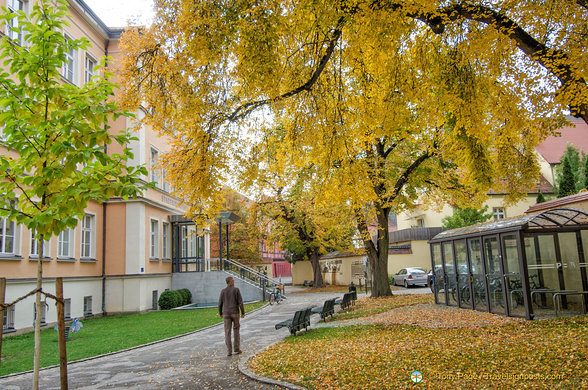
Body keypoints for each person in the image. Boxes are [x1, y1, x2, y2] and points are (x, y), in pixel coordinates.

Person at [218, 276, 245, 356]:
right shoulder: (236, 290)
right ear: (231, 282)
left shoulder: (223, 291)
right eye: (233, 280)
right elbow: (240, 302)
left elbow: (220, 303)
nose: (234, 281)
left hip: (226, 314)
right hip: (235, 313)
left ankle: (229, 351)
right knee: (236, 330)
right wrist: (242, 312)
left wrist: (220, 313)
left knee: (227, 331)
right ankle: (236, 348)